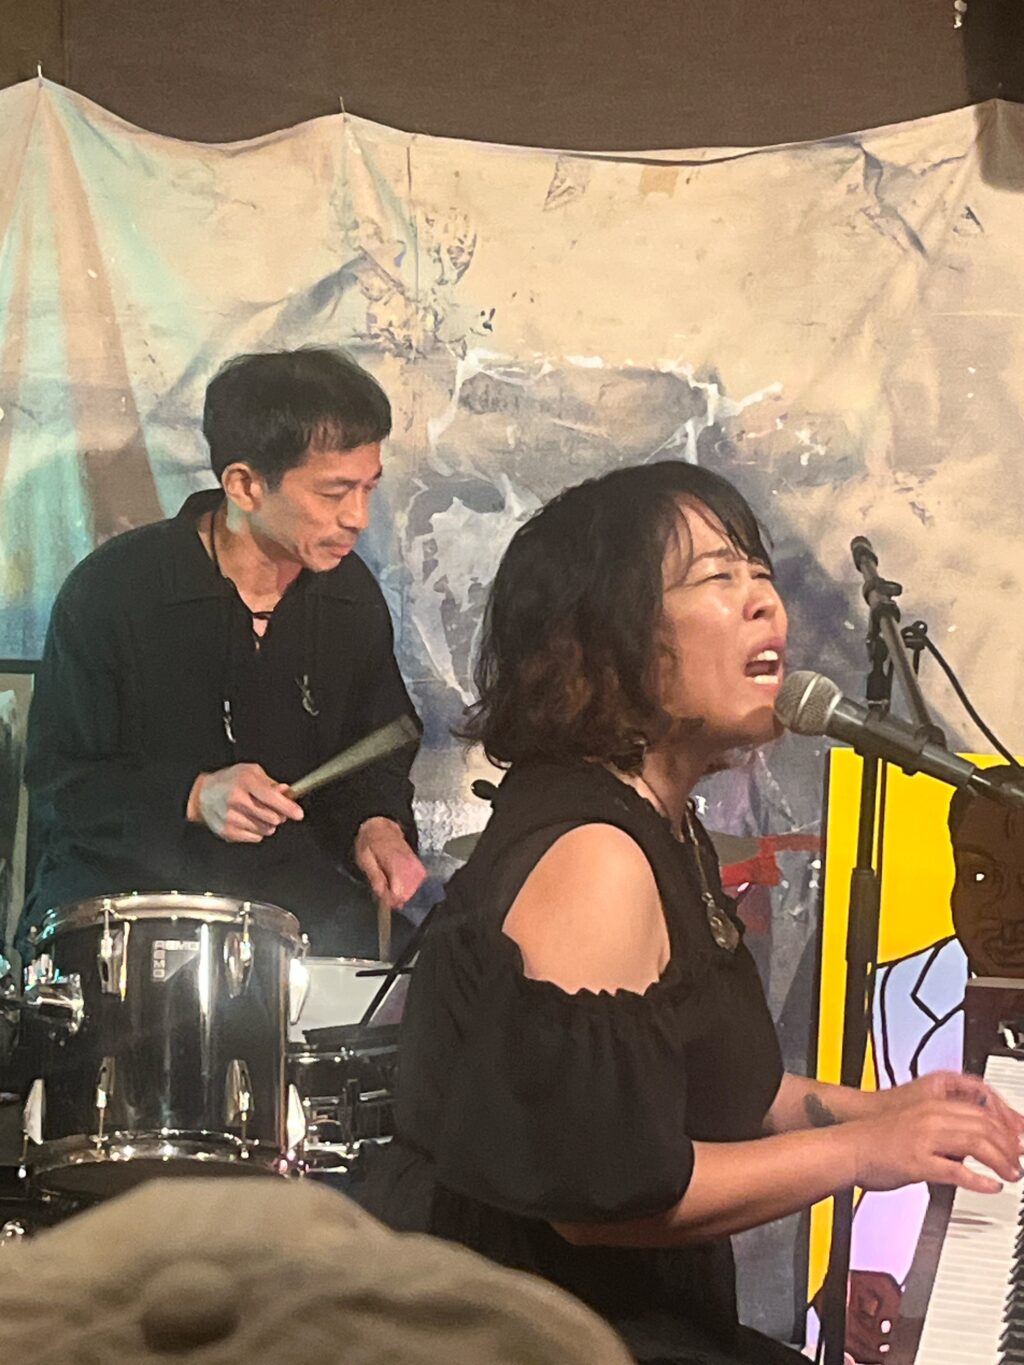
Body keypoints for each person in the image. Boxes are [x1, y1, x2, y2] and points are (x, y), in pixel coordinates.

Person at [363, 461, 1024, 1365]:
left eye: (761, 574)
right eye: (719, 577)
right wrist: (869, 1151)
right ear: (604, 644)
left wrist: (881, 1107)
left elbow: (710, 1092)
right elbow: (604, 1200)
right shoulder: (596, 857)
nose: (766, 604)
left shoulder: (662, 827)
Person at [17, 347, 426, 959]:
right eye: (334, 492)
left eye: (369, 488)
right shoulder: (115, 591)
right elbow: (62, 787)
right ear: (245, 485)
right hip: (128, 904)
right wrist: (191, 795)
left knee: (424, 977)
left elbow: (372, 757)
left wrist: (378, 826)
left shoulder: (348, 597)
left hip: (289, 906)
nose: (358, 518)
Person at [806, 763, 1024, 1360]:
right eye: (980, 876)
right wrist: (858, 1268)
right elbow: (906, 1165)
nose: (1008, 911)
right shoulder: (905, 989)